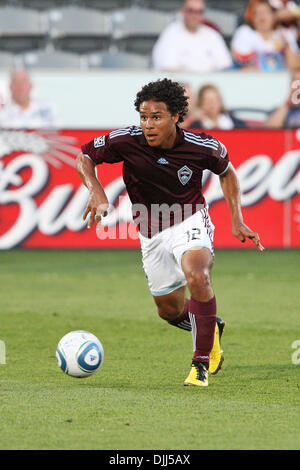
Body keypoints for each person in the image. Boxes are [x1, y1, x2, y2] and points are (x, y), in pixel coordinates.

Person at [76, 78, 264, 388]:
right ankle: (209, 325)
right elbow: (84, 156)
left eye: (157, 117)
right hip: (150, 232)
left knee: (198, 275)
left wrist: (237, 218)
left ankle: (200, 364)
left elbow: (226, 172)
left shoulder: (202, 146)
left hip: (188, 220)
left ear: (176, 116)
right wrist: (95, 188)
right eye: (143, 116)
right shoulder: (126, 140)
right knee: (169, 310)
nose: (148, 124)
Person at [151, 0, 232, 72]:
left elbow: (225, 67)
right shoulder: (170, 34)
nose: (195, 16)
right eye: (191, 11)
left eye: (199, 12)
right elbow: (167, 69)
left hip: (208, 86)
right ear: (183, 12)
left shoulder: (212, 35)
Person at [231, 0, 300, 71]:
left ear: (274, 16)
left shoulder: (285, 34)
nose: (261, 15)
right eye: (256, 13)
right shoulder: (245, 32)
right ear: (252, 18)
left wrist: (286, 46)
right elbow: (243, 66)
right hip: (255, 79)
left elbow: (294, 67)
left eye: (266, 12)